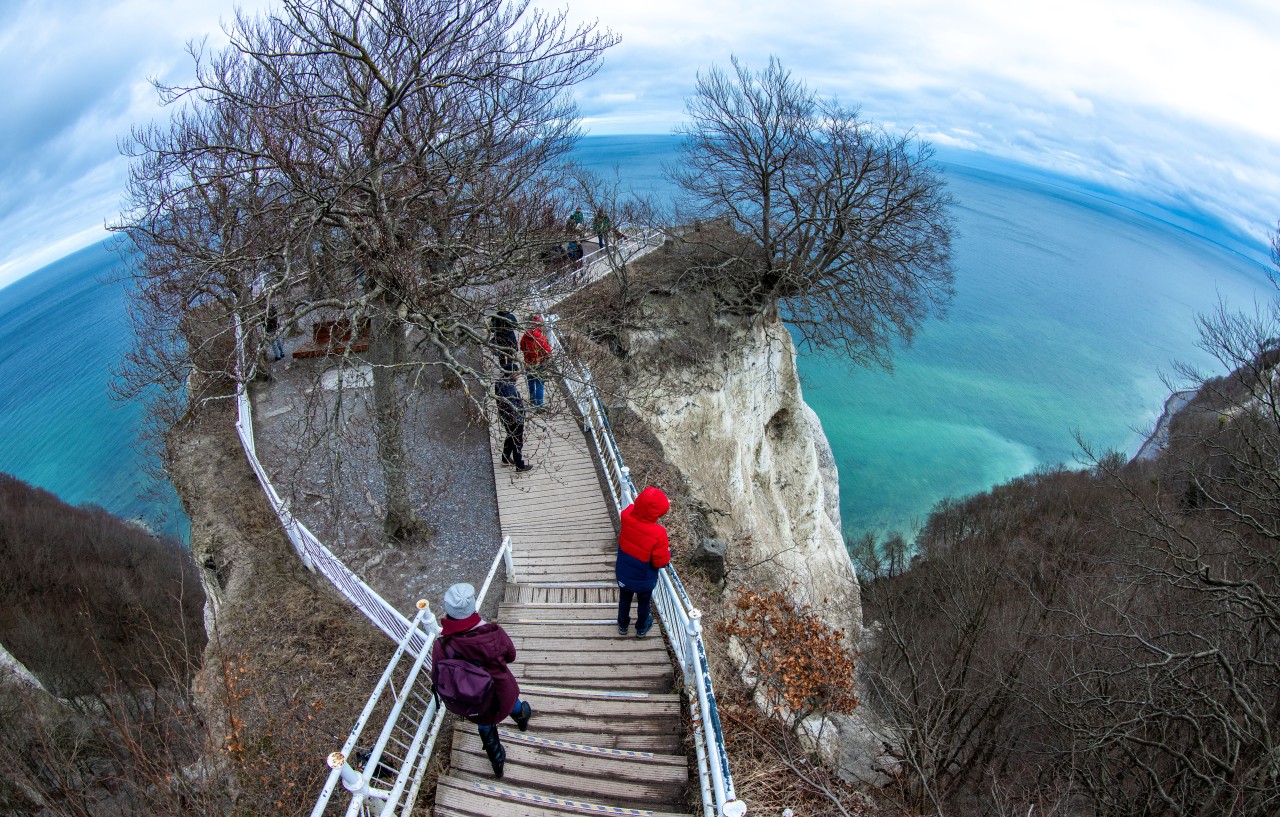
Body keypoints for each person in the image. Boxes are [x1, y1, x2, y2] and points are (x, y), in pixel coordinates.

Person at [431, 583, 532, 779]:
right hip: (502, 693)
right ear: (472, 606)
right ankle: (522, 719)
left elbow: (436, 676)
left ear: (448, 610)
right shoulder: (493, 632)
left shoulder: (442, 645)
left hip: (476, 702)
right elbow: (511, 656)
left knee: (485, 724)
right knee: (512, 703)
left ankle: (497, 760)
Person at [615, 486, 671, 637]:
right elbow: (661, 562)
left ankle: (622, 625)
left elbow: (636, 507)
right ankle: (641, 628)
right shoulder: (658, 533)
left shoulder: (626, 516)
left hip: (624, 574)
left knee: (624, 600)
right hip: (643, 578)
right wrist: (668, 554)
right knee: (644, 603)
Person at [495, 376, 532, 472]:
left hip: (505, 416)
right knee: (517, 441)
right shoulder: (509, 388)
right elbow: (513, 406)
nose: (518, 376)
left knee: (510, 436)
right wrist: (520, 416)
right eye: (516, 373)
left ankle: (505, 458)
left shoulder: (499, 383)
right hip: (515, 419)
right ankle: (519, 465)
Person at [519, 316, 552, 408]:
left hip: (528, 363)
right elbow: (548, 352)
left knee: (531, 381)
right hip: (539, 363)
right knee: (539, 383)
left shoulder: (525, 336)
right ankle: (539, 405)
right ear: (540, 325)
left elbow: (521, 347)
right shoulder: (541, 338)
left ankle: (532, 399)